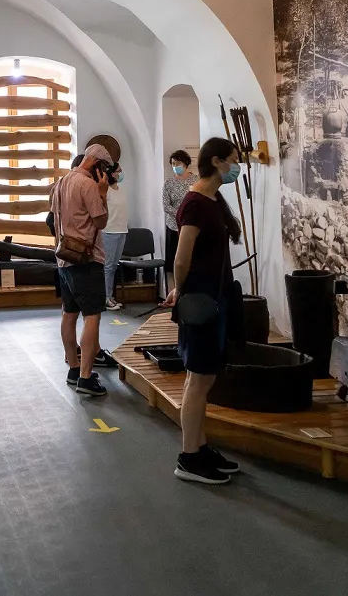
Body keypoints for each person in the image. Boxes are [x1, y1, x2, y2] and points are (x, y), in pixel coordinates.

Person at [160, 137, 245, 484]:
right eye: (233, 160)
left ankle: (201, 446)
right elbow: (181, 258)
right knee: (197, 380)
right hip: (201, 301)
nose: (237, 166)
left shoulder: (212, 199)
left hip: (217, 297)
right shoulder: (194, 203)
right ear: (217, 162)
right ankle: (189, 457)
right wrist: (180, 289)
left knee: (205, 377)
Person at [51, 142, 112, 397]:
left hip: (64, 257)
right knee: (92, 315)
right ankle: (86, 378)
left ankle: (74, 369)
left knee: (69, 314)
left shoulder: (61, 182)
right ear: (97, 165)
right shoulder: (88, 185)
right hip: (86, 260)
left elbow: (53, 218)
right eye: (104, 168)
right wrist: (103, 193)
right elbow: (101, 220)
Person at [101, 162, 128, 311]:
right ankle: (106, 297)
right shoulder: (107, 191)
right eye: (119, 171)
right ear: (112, 173)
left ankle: (110, 296)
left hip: (122, 231)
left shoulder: (120, 190)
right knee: (108, 266)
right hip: (109, 231)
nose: (121, 173)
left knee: (113, 267)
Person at [162, 149, 194, 279]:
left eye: (178, 163)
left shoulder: (195, 180)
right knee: (174, 261)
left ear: (186, 163)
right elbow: (166, 205)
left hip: (191, 225)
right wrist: (180, 213)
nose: (175, 166)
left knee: (191, 260)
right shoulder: (168, 183)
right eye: (173, 163)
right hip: (173, 226)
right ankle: (175, 288)